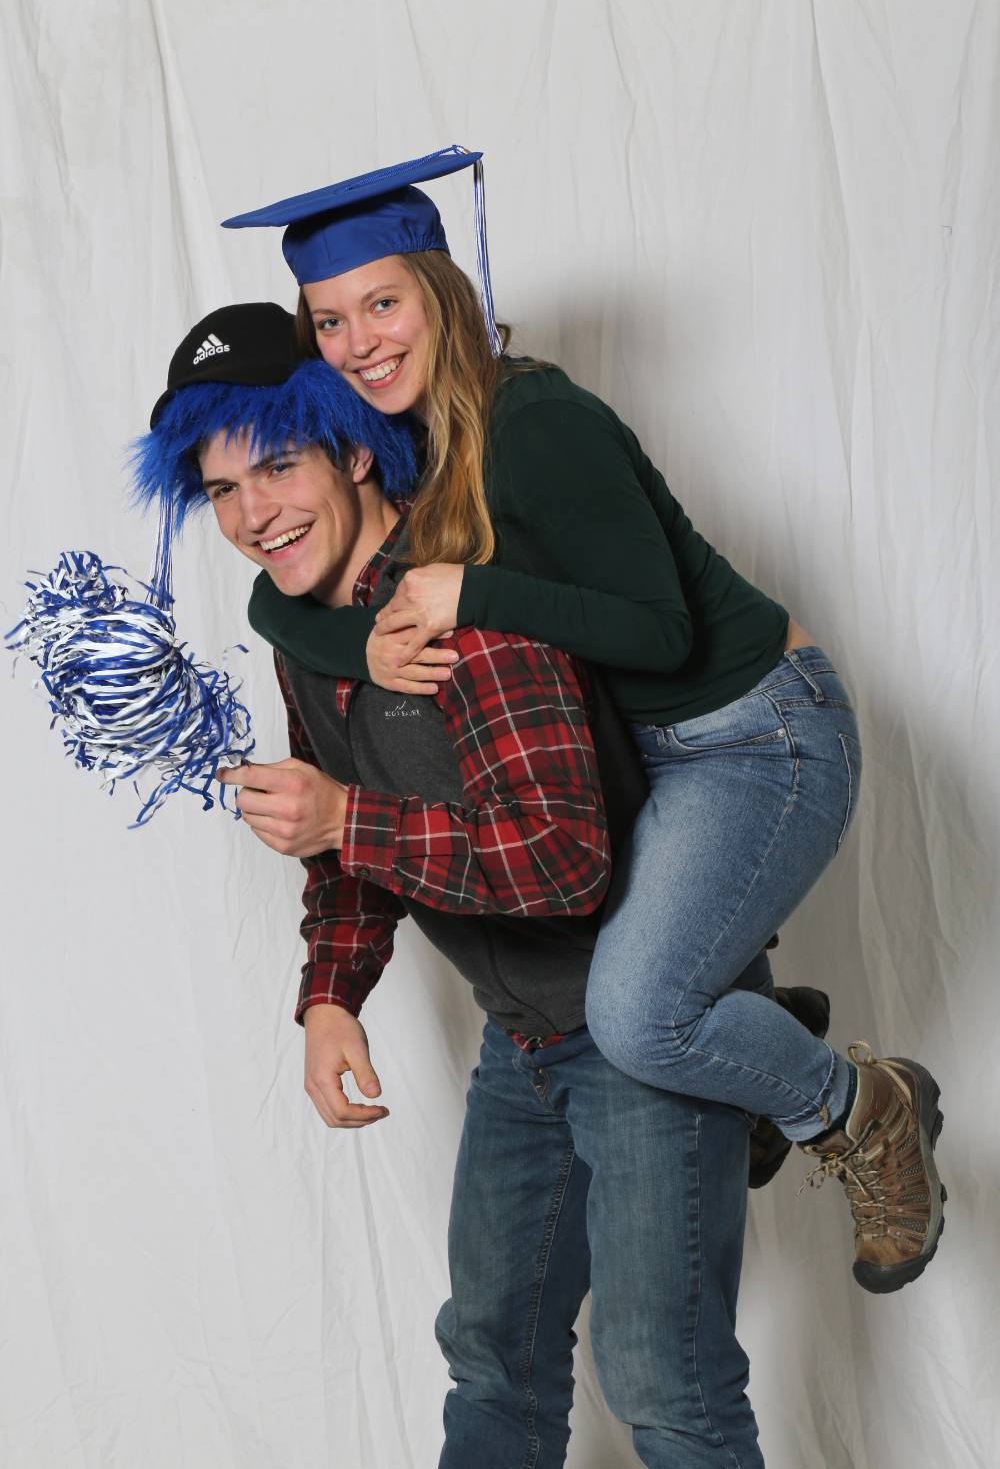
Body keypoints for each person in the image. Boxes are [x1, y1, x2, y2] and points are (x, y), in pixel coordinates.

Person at [221, 146, 947, 1295]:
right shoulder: (401, 442)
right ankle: (748, 1049)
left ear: (441, 293)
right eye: (328, 321)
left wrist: (472, 593)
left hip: (754, 732)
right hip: (650, 755)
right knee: (619, 982)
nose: (357, 342)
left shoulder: (536, 421)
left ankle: (856, 1106)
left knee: (636, 1015)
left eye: (381, 304)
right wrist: (365, 645)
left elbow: (661, 634)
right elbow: (281, 596)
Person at [133, 300, 768, 1467]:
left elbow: (564, 860)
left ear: (353, 451)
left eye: (275, 467)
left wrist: (345, 817)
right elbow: (345, 829)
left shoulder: (461, 598)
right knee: (491, 1353)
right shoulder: (305, 629)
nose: (253, 514)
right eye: (221, 490)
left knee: (664, 1382)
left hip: (636, 1028)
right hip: (522, 1041)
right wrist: (331, 995)